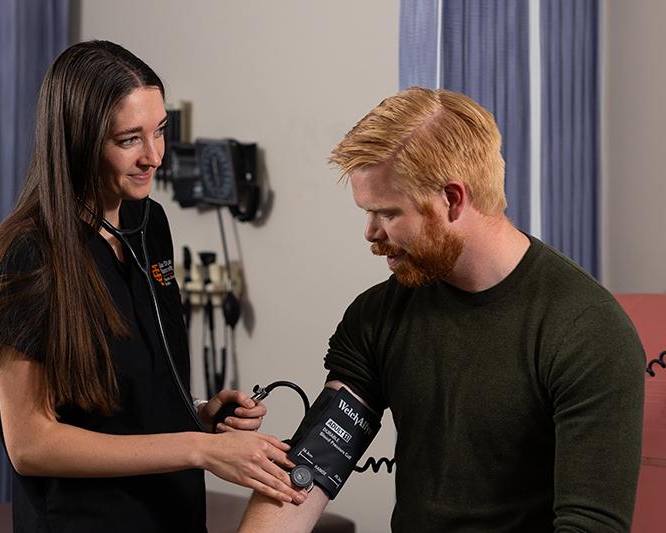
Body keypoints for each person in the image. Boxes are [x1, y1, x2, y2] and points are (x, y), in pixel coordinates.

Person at [240, 87, 645, 532]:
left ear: (452, 199)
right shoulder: (378, 316)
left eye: (388, 213)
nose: (370, 233)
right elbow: (312, 467)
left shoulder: (584, 330)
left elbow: (590, 526)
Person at [0, 40, 305, 533]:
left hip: (173, 515)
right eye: (129, 139)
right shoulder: (27, 255)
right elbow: (30, 445)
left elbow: (127, 388)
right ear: (77, 141)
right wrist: (199, 448)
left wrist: (200, 416)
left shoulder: (149, 222)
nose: (154, 157)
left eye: (160, 131)